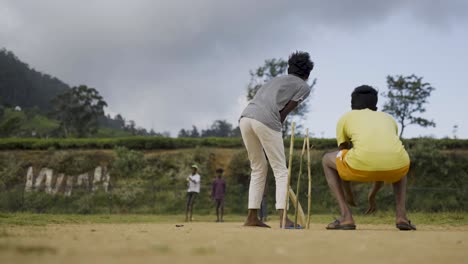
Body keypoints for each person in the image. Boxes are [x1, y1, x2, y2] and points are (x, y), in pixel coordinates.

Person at [322, 85, 416, 231]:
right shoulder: (389, 119)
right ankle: (401, 216)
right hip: (397, 167)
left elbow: (342, 157)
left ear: (352, 105)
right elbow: (381, 158)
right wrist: (372, 194)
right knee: (399, 163)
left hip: (358, 166)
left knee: (327, 159)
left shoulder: (346, 117)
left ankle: (346, 216)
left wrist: (349, 194)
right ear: (376, 105)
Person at [239, 51, 314, 228]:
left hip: (245, 117)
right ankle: (283, 219)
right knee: (281, 170)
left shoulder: (275, 80)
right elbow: (284, 112)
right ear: (307, 74)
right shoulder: (303, 86)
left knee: (258, 168)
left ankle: (251, 218)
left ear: (289, 68)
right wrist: (272, 131)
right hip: (266, 120)